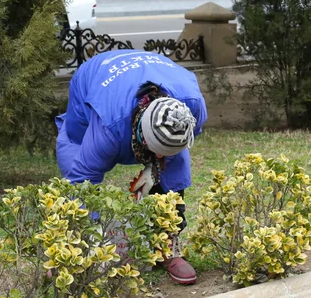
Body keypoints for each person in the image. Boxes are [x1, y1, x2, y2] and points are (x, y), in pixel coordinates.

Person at [55, 49, 208, 285]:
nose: (158, 157)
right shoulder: (109, 126)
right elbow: (82, 179)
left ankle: (168, 247)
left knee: (176, 168)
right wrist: (93, 236)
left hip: (156, 74)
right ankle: (79, 249)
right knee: (76, 157)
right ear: (140, 135)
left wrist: (154, 170)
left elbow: (176, 150)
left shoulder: (192, 107)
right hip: (95, 77)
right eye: (155, 150)